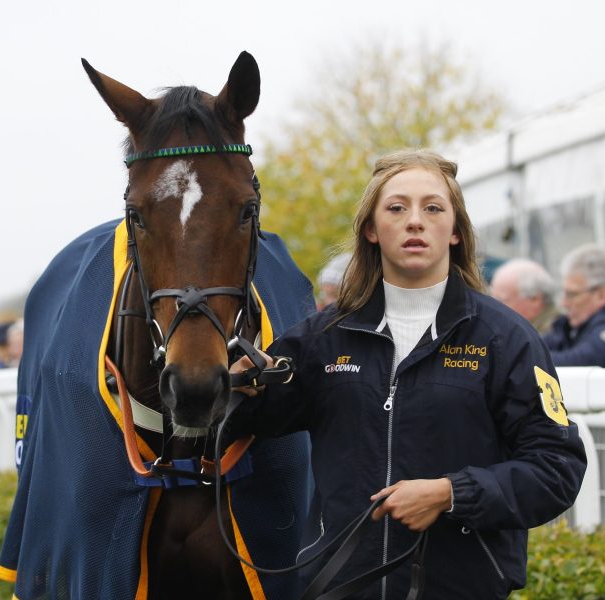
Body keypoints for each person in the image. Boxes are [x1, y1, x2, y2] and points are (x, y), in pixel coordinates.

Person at [230, 149, 586, 599]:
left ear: (456, 231)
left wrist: (451, 493)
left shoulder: (507, 339)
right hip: (337, 587)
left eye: (433, 208)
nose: (414, 221)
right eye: (396, 208)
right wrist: (231, 386)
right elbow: (234, 427)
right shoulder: (321, 340)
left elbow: (557, 469)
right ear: (371, 229)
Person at [490, 257, 559, 334]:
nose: (493, 307)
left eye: (501, 301)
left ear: (534, 299)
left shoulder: (552, 338)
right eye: (492, 300)